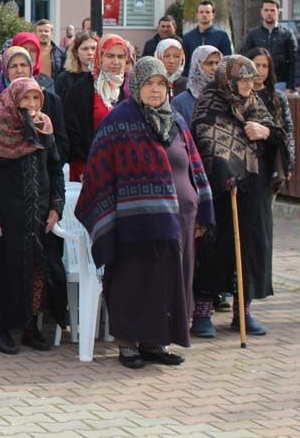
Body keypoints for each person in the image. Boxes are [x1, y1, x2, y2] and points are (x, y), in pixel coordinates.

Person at [76, 57, 214, 368]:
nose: (155, 90)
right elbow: (98, 172)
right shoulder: (118, 121)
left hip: (179, 222)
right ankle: (128, 345)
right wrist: (109, 218)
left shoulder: (176, 120)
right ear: (136, 86)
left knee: (170, 281)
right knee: (134, 281)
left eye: (161, 84)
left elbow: (194, 164)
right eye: (149, 84)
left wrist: (202, 207)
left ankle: (156, 343)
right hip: (134, 223)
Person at [190, 56, 288, 338]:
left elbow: (279, 138)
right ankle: (203, 312)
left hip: (254, 192)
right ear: (228, 80)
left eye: (251, 78)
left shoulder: (255, 102)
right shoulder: (211, 100)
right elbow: (205, 139)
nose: (249, 84)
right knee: (216, 248)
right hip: (223, 190)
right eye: (243, 79)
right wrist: (227, 172)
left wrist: (265, 131)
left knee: (251, 248)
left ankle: (242, 312)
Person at [0, 78, 65, 355]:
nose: (32, 106)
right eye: (26, 99)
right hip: (5, 221)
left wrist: (56, 206)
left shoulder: (44, 127)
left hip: (38, 218)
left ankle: (30, 327)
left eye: (37, 99)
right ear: (13, 99)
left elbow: (56, 168)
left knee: (37, 273)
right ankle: (3, 330)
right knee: (4, 274)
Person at [64, 34, 129, 182]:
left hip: (123, 171)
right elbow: (71, 132)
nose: (116, 62)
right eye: (110, 56)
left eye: (121, 57)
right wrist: (81, 168)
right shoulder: (81, 90)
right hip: (89, 171)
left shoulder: (129, 89)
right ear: (100, 57)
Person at [245, 48, 296, 179]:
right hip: (245, 161)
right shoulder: (240, 94)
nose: (260, 71)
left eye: (265, 66)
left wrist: (288, 163)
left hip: (271, 160)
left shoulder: (277, 97)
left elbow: (287, 130)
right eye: (256, 65)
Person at [240, 0, 297, 92]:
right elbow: (245, 60)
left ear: (278, 12)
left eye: (272, 10)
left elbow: (294, 61)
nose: (269, 13)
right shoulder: (253, 35)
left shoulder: (287, 34)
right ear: (261, 12)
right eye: (266, 10)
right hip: (257, 83)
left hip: (281, 83)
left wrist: (290, 86)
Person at [172, 46, 222, 127]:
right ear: (197, 66)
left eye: (217, 63)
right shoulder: (180, 102)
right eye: (210, 63)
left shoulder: (226, 96)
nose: (215, 68)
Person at [181, 0, 233, 76]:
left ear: (213, 14)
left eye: (207, 12)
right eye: (201, 12)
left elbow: (227, 60)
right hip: (193, 81)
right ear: (197, 14)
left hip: (215, 79)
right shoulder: (188, 37)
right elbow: (185, 63)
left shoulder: (222, 36)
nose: (204, 15)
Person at [55, 31, 97, 99]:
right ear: (76, 52)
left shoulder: (104, 77)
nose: (90, 53)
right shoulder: (64, 79)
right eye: (85, 49)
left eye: (93, 48)